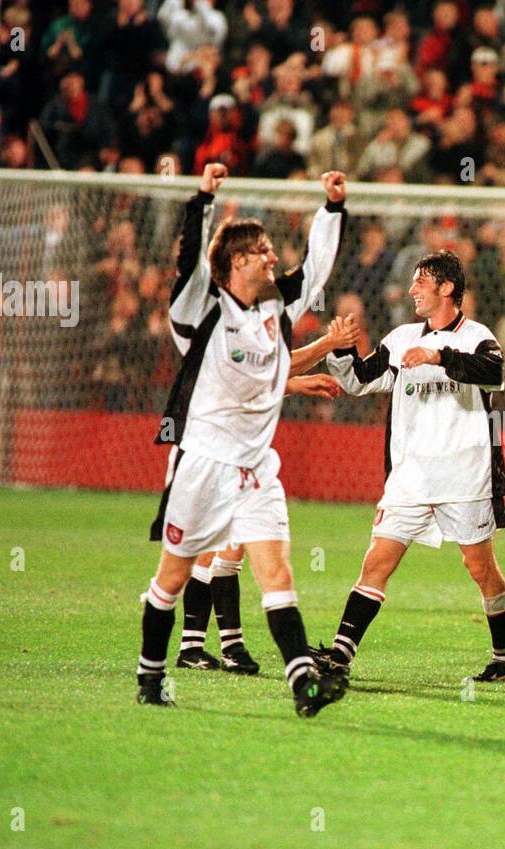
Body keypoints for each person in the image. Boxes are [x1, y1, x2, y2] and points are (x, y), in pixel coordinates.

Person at [136, 162, 348, 716]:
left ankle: (304, 683)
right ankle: (150, 673)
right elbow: (189, 263)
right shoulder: (203, 312)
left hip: (256, 468)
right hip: (202, 464)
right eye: (262, 252)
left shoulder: (277, 308)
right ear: (235, 262)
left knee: (276, 572)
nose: (273, 258)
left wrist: (331, 210)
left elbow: (315, 272)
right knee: (173, 577)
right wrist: (203, 198)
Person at [318, 251, 505, 683]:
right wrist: (339, 351)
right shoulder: (401, 337)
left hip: (465, 476)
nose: (412, 291)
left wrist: (438, 356)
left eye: (420, 283)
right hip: (410, 477)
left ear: (447, 288)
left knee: (480, 568)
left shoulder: (477, 337)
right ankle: (339, 656)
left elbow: (494, 372)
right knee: (377, 562)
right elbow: (358, 381)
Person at [168, 325, 354, 674]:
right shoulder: (223, 328)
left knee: (227, 547)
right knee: (215, 549)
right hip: (210, 451)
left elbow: (263, 377)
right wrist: (321, 353)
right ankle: (201, 646)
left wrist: (306, 369)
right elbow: (251, 383)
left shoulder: (237, 326)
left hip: (228, 449)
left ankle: (218, 646)